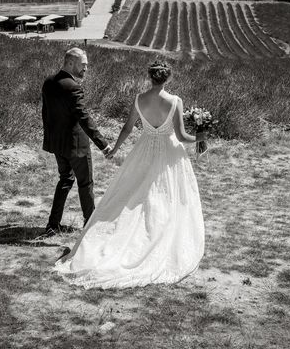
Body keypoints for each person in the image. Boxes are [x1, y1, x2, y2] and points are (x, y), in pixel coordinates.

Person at [53, 61, 205, 289]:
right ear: (168, 78)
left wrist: (114, 149)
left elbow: (127, 128)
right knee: (166, 194)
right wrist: (202, 138)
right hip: (169, 153)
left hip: (143, 150)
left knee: (137, 193)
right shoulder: (175, 101)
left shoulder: (139, 99)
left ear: (150, 77)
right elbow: (182, 137)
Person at [41, 48, 112, 237]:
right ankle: (90, 226)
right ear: (71, 63)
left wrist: (50, 140)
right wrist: (103, 144)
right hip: (76, 145)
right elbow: (84, 117)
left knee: (65, 180)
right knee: (86, 183)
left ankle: (52, 224)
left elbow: (46, 114)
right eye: (83, 65)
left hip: (58, 144)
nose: (86, 69)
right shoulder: (72, 87)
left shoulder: (48, 82)